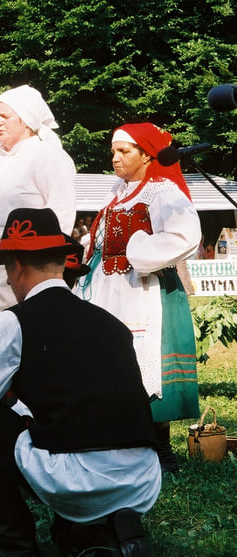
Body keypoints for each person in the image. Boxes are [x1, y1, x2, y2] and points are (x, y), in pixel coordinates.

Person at [0, 208, 160, 557]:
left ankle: (14, 541)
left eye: (8, 271)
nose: (9, 282)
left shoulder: (14, 322)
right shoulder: (112, 325)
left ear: (17, 267)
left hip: (77, 477)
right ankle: (89, 528)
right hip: (143, 479)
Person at [76, 122, 202, 474]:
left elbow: (185, 236)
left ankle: (160, 446)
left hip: (144, 288)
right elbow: (100, 237)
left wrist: (141, 251)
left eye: (124, 151)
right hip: (108, 288)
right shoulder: (115, 191)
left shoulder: (163, 192)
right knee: (110, 357)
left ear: (147, 155)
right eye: (114, 150)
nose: (115, 157)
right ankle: (120, 439)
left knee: (145, 360)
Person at [0, 85, 76, 354]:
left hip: (24, 263)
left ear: (26, 119)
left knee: (19, 335)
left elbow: (61, 213)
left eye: (5, 117)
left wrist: (48, 266)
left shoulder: (48, 156)